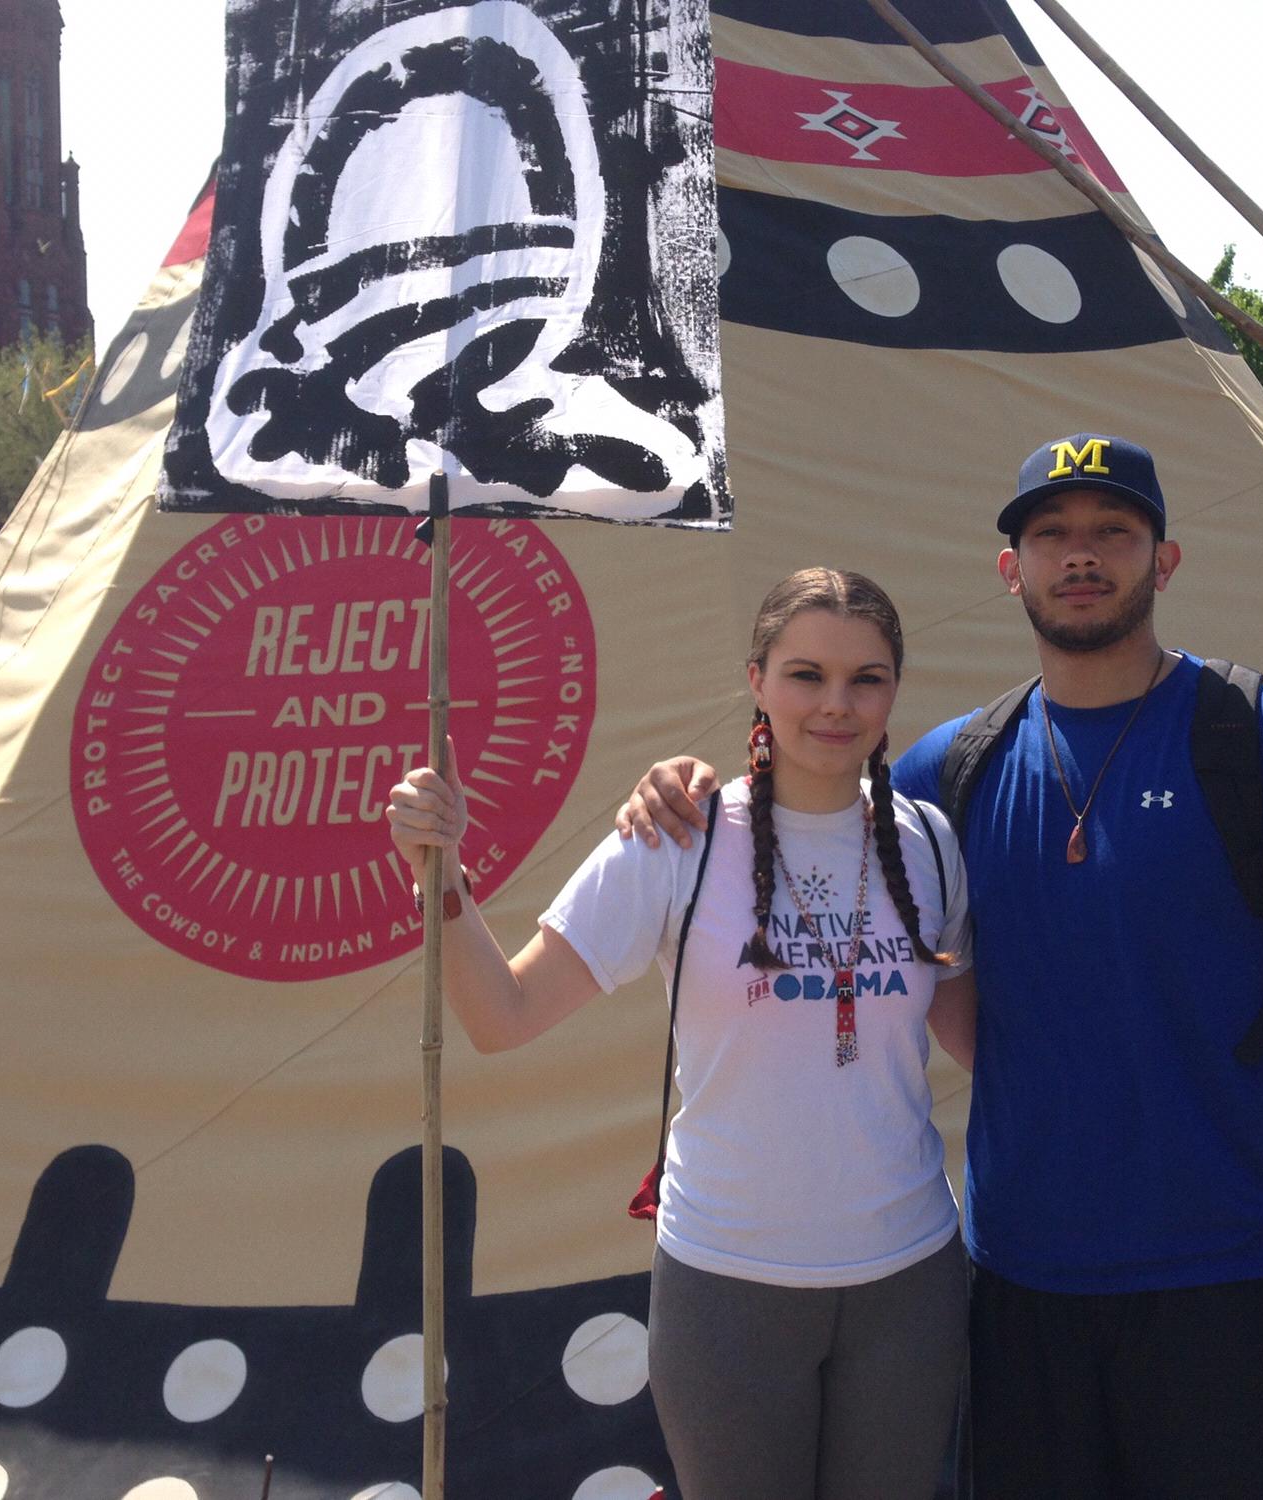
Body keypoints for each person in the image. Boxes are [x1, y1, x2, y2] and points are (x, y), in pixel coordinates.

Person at [620, 435, 1263, 1500]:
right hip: (1018, 1286)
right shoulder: (947, 773)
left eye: (1109, 534)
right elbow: (799, 807)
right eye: (1050, 536)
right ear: (1011, 570)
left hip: (1237, 1274)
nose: (1078, 557)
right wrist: (673, 788)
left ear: (1163, 560)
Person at [387, 569, 978, 1500]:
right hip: (728, 1282)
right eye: (805, 674)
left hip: (909, 1278)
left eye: (866, 678)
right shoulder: (676, 835)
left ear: (896, 688)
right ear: (756, 680)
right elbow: (501, 1016)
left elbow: (978, 1039)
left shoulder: (930, 841)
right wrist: (441, 875)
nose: (835, 703)